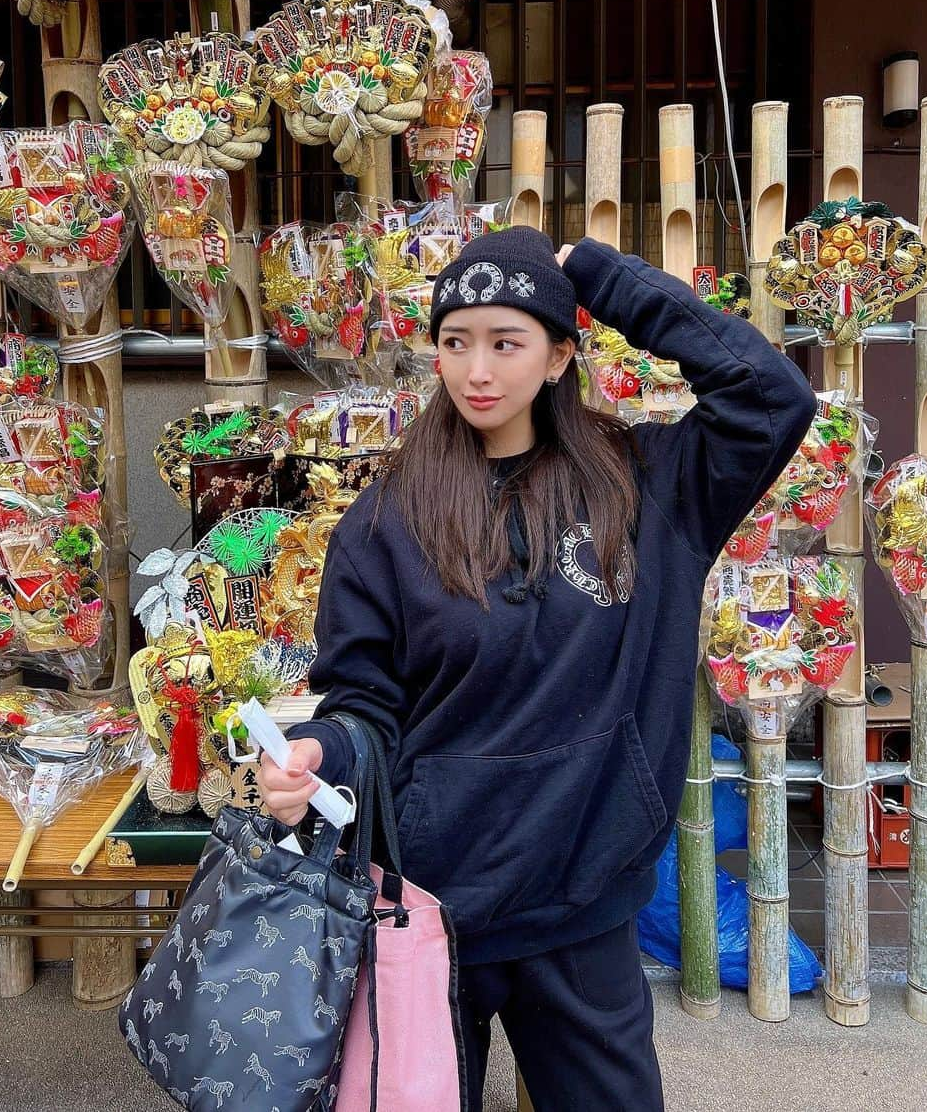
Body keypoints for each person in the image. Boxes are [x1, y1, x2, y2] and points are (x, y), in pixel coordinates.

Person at [257, 228, 816, 1110]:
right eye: (455, 341)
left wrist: (603, 276)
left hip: (582, 898)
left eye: (507, 341)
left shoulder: (649, 487)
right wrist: (326, 750)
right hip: (434, 904)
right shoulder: (384, 521)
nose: (477, 369)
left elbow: (770, 396)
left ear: (560, 354)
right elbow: (364, 697)